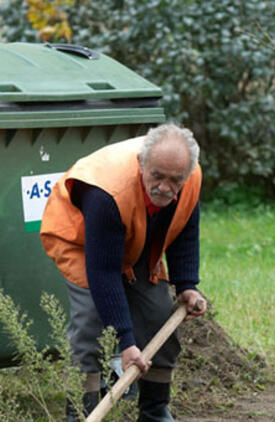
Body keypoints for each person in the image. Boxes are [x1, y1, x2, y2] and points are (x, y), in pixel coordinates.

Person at [40, 123, 208, 422]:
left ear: (186, 173)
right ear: (142, 163)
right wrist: (127, 342)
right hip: (81, 240)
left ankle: (155, 412)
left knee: (159, 317)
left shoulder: (190, 179)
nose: (165, 187)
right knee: (90, 323)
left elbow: (184, 230)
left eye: (174, 180)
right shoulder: (107, 193)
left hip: (136, 236)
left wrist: (186, 284)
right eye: (157, 176)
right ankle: (81, 412)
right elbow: (104, 272)